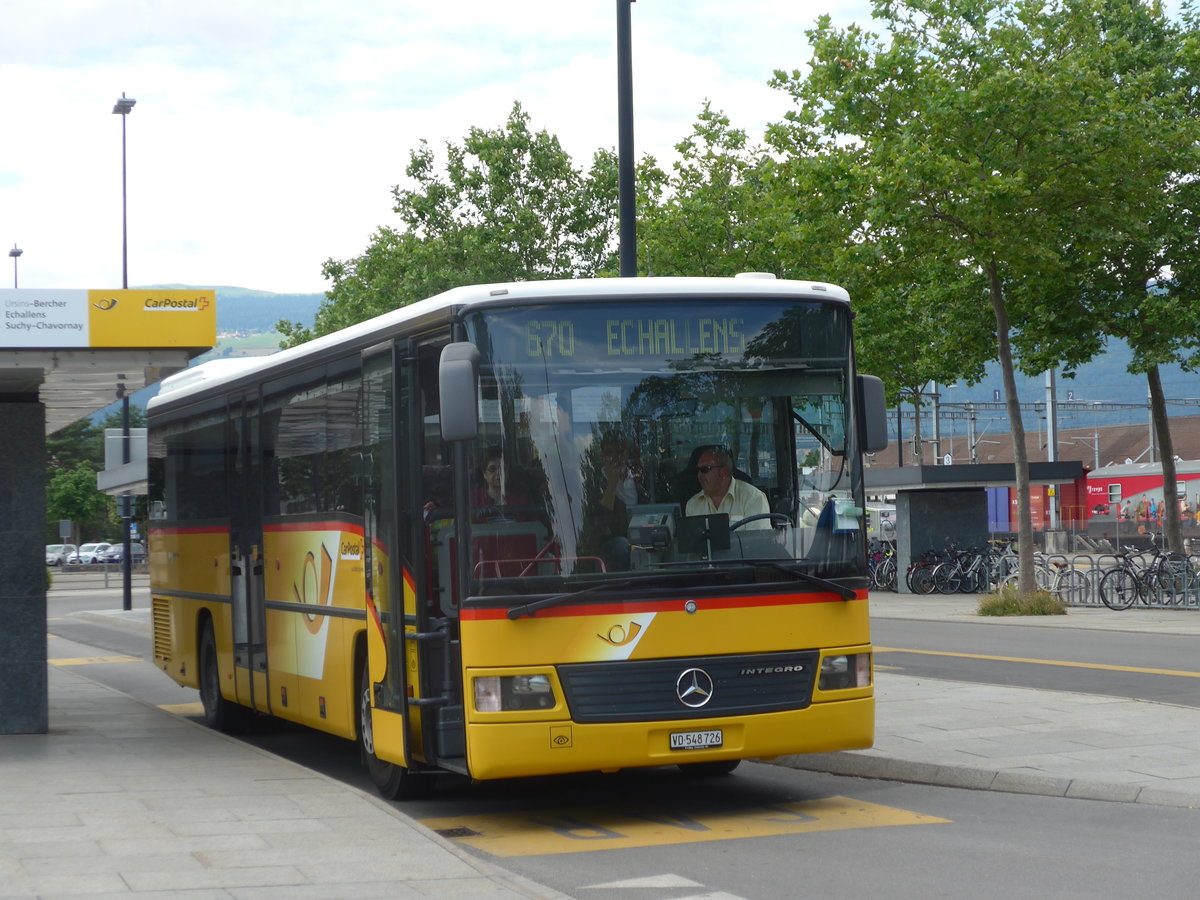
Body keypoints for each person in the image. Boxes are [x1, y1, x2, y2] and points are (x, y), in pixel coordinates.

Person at [579, 434, 646, 570]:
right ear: (602, 456)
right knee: (621, 546)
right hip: (607, 549)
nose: (615, 458)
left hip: (642, 540)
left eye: (620, 452)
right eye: (610, 453)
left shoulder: (639, 479)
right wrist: (612, 484)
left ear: (626, 454)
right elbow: (596, 522)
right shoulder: (591, 481)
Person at [684, 446, 771, 530]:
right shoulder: (693, 505)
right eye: (698, 470)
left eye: (705, 469)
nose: (700, 475)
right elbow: (693, 543)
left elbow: (758, 542)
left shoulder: (753, 499)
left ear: (724, 472)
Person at [471, 446, 533, 521]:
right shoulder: (474, 499)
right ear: (484, 474)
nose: (498, 473)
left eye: (502, 468)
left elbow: (534, 527)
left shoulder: (522, 497)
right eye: (492, 469)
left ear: (507, 472)